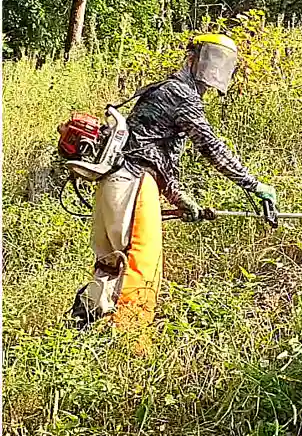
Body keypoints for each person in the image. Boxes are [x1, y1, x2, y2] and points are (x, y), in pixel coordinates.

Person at [70, 33, 277, 333]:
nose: (210, 78)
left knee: (110, 266)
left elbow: (153, 155)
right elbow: (211, 148)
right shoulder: (182, 95)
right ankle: (129, 344)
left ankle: (82, 333)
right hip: (134, 185)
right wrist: (254, 185)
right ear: (191, 59)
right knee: (141, 268)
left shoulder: (162, 90)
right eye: (209, 64)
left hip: (112, 184)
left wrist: (181, 200)